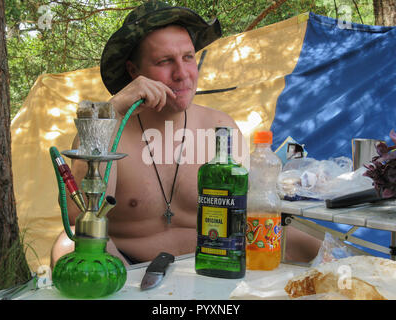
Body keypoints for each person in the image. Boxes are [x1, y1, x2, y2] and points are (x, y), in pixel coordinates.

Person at [51, 0, 321, 267]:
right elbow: (79, 215)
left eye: (188, 57)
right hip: (129, 267)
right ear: (134, 71)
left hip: (213, 262)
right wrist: (111, 112)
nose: (182, 74)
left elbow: (253, 209)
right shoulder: (106, 129)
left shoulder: (220, 127)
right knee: (67, 244)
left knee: (314, 244)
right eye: (164, 61)